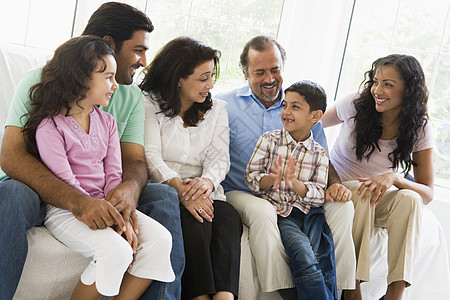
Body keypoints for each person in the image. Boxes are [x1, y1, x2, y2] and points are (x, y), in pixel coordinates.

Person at [0, 3, 184, 300]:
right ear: (109, 45)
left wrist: (126, 195)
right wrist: (81, 203)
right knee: (12, 195)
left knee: (164, 196)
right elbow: (11, 157)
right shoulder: (40, 83)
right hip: (42, 186)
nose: (145, 61)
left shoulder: (127, 99)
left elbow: (133, 161)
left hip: (102, 189)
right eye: (138, 50)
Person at [215, 35, 355, 298]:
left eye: (275, 69)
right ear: (245, 73)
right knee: (264, 211)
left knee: (344, 207)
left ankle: (342, 290)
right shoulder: (224, 105)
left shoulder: (300, 104)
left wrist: (335, 185)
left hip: (296, 194)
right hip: (243, 191)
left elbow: (322, 158)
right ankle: (287, 292)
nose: (269, 78)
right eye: (260, 72)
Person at [322, 54, 433, 300]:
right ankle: (352, 289)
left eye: (388, 84)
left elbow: (427, 193)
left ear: (409, 90)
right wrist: (327, 173)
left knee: (410, 200)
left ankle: (395, 293)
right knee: (366, 192)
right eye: (376, 81)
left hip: (376, 199)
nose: (377, 90)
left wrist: (394, 178)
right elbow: (311, 127)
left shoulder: (419, 126)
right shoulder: (354, 104)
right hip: (340, 192)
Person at [140, 36, 243, 300]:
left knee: (228, 215)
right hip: (166, 187)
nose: (210, 85)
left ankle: (224, 297)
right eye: (203, 77)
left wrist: (206, 183)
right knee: (194, 218)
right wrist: (180, 188)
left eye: (212, 76)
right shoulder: (148, 102)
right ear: (178, 78)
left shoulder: (217, 109)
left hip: (203, 189)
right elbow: (150, 155)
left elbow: (219, 158)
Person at [245, 80, 337, 300]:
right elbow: (251, 179)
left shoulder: (319, 154)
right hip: (281, 215)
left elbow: (318, 195)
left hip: (309, 215)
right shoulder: (269, 141)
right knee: (303, 255)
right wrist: (272, 179)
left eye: (295, 107)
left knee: (323, 258)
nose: (286, 111)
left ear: (315, 116)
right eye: (285, 105)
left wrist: (296, 184)